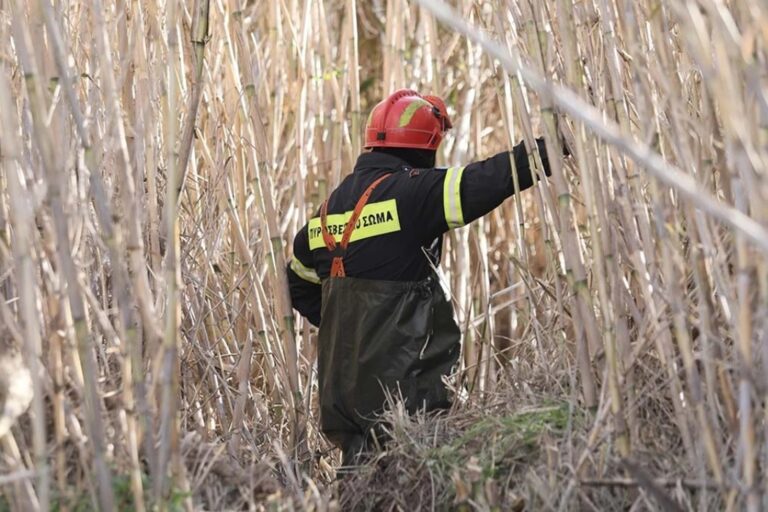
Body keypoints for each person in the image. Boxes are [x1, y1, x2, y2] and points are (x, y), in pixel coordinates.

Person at [286, 89, 555, 466]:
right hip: (404, 392)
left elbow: (297, 283)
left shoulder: (325, 212)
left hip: (343, 395)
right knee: (411, 485)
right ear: (424, 149)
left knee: (359, 484)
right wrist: (553, 148)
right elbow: (486, 180)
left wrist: (351, 326)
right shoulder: (412, 194)